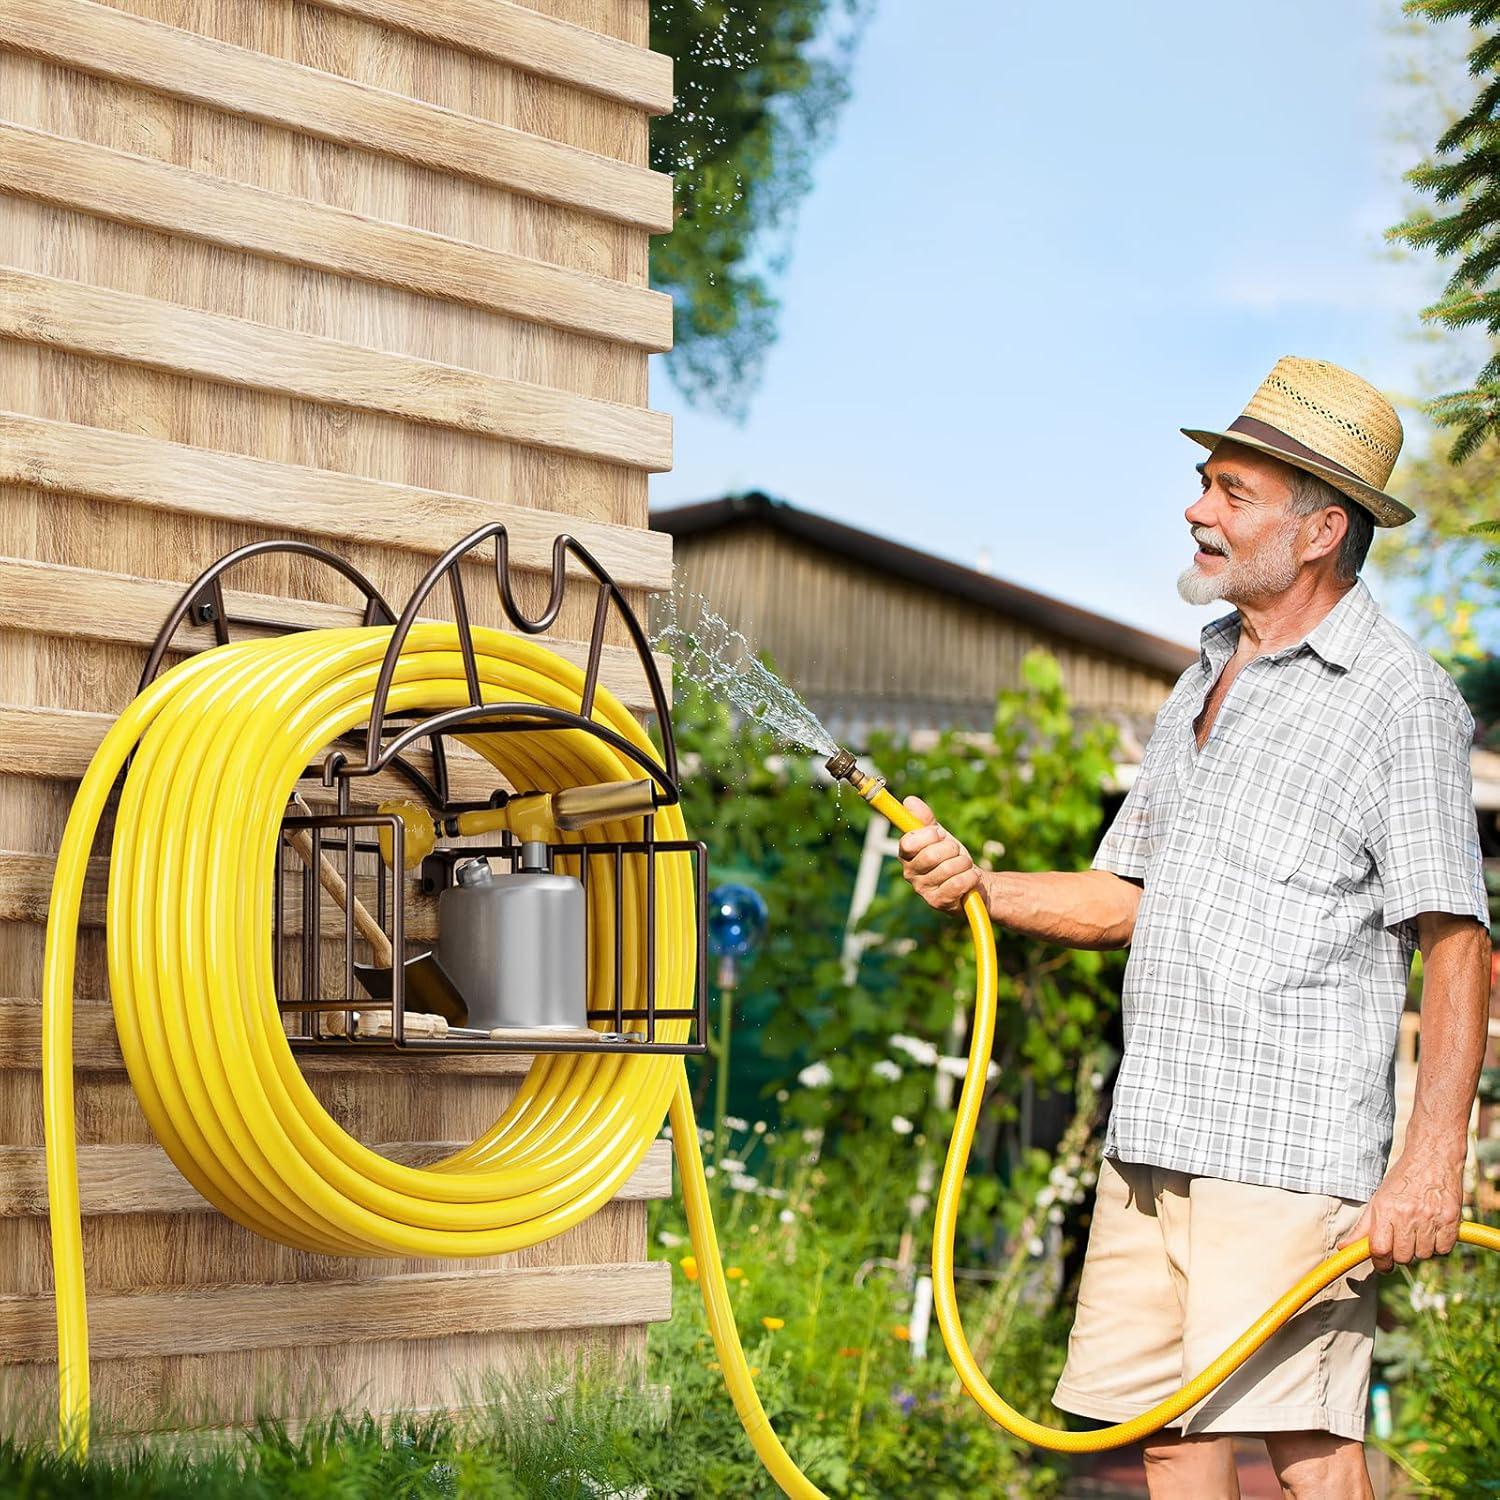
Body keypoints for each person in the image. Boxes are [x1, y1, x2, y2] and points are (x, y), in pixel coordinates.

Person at [896, 357, 1492, 1500]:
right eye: (1203, 483)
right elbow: (1130, 896)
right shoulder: (1204, 677)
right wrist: (981, 883)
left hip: (1287, 1154)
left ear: (1320, 531)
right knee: (1168, 1435)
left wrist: (1430, 1163)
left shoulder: (1399, 700)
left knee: (1310, 1453)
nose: (1195, 509)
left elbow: (1458, 942)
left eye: (1230, 491)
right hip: (1157, 1132)